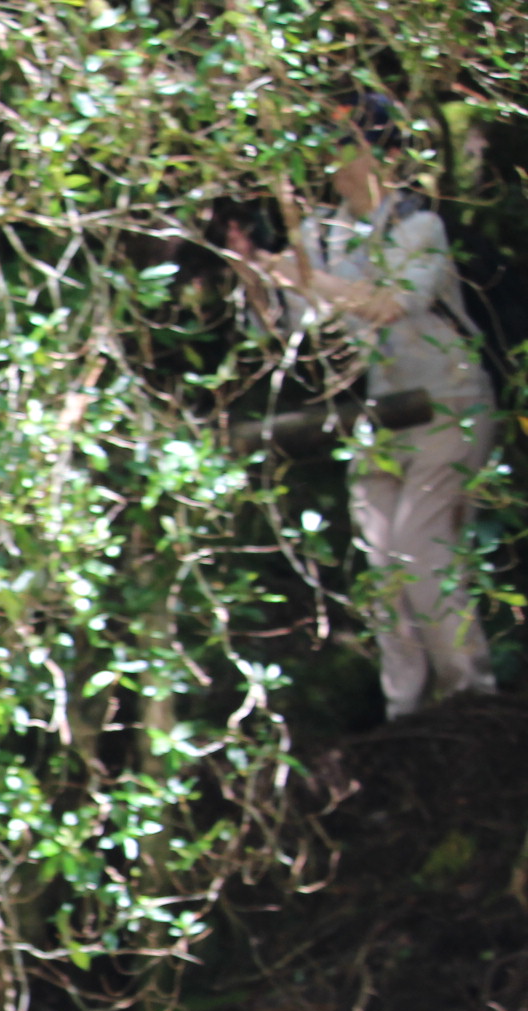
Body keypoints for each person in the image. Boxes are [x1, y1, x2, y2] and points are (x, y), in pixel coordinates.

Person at [227, 95, 504, 720]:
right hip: (385, 412)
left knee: (422, 548)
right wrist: (256, 272)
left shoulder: (418, 228)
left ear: (390, 154)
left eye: (348, 142)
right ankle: (404, 709)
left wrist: (305, 277)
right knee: (381, 567)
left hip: (450, 402)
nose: (335, 158)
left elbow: (386, 304)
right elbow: (288, 326)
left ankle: (471, 694)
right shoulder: (326, 235)